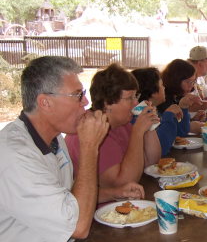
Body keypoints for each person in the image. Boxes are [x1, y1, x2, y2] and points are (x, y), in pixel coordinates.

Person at [0, 56, 161, 242]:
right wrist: (89, 148)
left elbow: (70, 199)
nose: (85, 103)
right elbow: (78, 227)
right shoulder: (15, 155)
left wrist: (111, 193)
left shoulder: (54, 141)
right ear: (45, 102)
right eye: (77, 95)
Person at [65, 63, 161, 198]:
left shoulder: (121, 124)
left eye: (136, 96)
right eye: (129, 98)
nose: (135, 103)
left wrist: (150, 126)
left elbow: (151, 162)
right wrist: (138, 132)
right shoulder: (90, 130)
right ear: (107, 103)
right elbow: (123, 183)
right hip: (99, 214)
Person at [131, 67, 200, 155]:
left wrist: (183, 107)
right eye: (161, 85)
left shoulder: (155, 110)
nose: (164, 88)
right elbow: (161, 147)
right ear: (153, 93)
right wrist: (168, 116)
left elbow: (181, 133)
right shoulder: (141, 113)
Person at [158, 59, 205, 134]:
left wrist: (192, 119)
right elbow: (173, 130)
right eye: (187, 81)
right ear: (175, 80)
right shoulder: (163, 100)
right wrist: (190, 127)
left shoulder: (177, 96)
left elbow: (179, 120)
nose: (191, 85)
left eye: (193, 81)